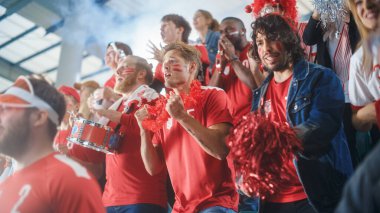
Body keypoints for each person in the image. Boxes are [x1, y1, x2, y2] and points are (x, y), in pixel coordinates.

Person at [249, 14, 353, 213]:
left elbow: (322, 127)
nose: (267, 48)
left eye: (273, 38)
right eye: (260, 42)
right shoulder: (260, 93)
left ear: (289, 40)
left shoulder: (321, 78)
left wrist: (276, 139)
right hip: (271, 199)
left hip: (314, 195)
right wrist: (247, 171)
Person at [135, 42, 238, 213]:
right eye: (164, 63)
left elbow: (220, 150)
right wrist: (143, 130)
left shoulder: (212, 95)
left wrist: (182, 117)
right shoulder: (163, 109)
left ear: (191, 67)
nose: (165, 66)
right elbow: (153, 168)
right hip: (181, 207)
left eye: (172, 61)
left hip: (216, 203)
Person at [0, 76, 105, 212]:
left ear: (39, 117)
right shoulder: (6, 184)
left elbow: (98, 170)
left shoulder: (71, 182)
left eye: (8, 108)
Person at [90, 55, 168, 213]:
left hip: (143, 197)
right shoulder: (116, 107)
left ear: (140, 74)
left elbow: (148, 126)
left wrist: (109, 114)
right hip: (110, 199)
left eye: (123, 66)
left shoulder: (154, 99)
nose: (116, 71)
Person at [303, 8, 361, 167]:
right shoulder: (322, 17)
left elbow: (360, 37)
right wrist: (318, 10)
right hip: (336, 88)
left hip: (358, 84)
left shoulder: (356, 11)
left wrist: (349, 13)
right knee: (347, 139)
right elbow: (308, 38)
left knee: (367, 137)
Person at [209, 17, 258, 122]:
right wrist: (220, 67)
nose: (224, 35)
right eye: (221, 32)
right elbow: (212, 94)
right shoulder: (221, 57)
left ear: (243, 31)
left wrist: (232, 57)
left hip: (254, 120)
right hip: (231, 124)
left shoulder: (255, 51)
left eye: (229, 30)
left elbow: (257, 85)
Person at [54, 85, 106, 180]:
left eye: (63, 100)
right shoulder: (54, 135)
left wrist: (70, 156)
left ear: (77, 106)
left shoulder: (86, 130)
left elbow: (98, 172)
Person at [149, 14, 210, 92]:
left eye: (165, 25)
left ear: (179, 30)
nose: (161, 29)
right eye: (161, 27)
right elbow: (154, 90)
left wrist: (164, 60)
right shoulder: (161, 63)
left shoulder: (198, 49)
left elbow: (199, 77)